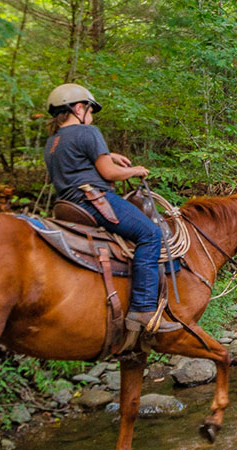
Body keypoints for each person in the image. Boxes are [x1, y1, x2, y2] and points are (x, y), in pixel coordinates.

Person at [42, 83, 180, 333]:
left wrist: (109, 154)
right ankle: (143, 308)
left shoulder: (53, 142)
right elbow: (108, 173)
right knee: (150, 234)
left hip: (68, 203)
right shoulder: (88, 132)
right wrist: (135, 170)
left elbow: (78, 163)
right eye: (90, 110)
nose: (91, 117)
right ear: (78, 108)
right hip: (93, 200)